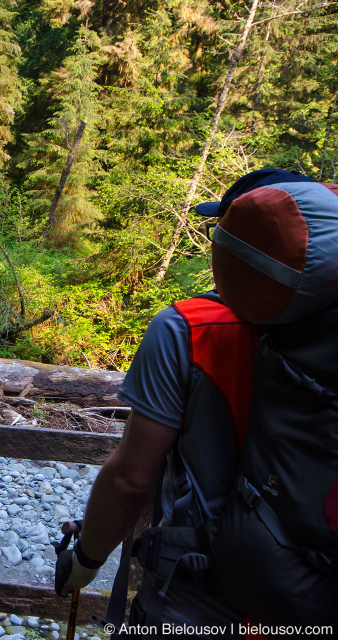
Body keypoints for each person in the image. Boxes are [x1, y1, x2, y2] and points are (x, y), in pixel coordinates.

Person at [53, 169, 326, 636]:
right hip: (314, 598)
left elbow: (131, 480)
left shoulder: (189, 329)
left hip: (202, 598)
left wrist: (84, 560)